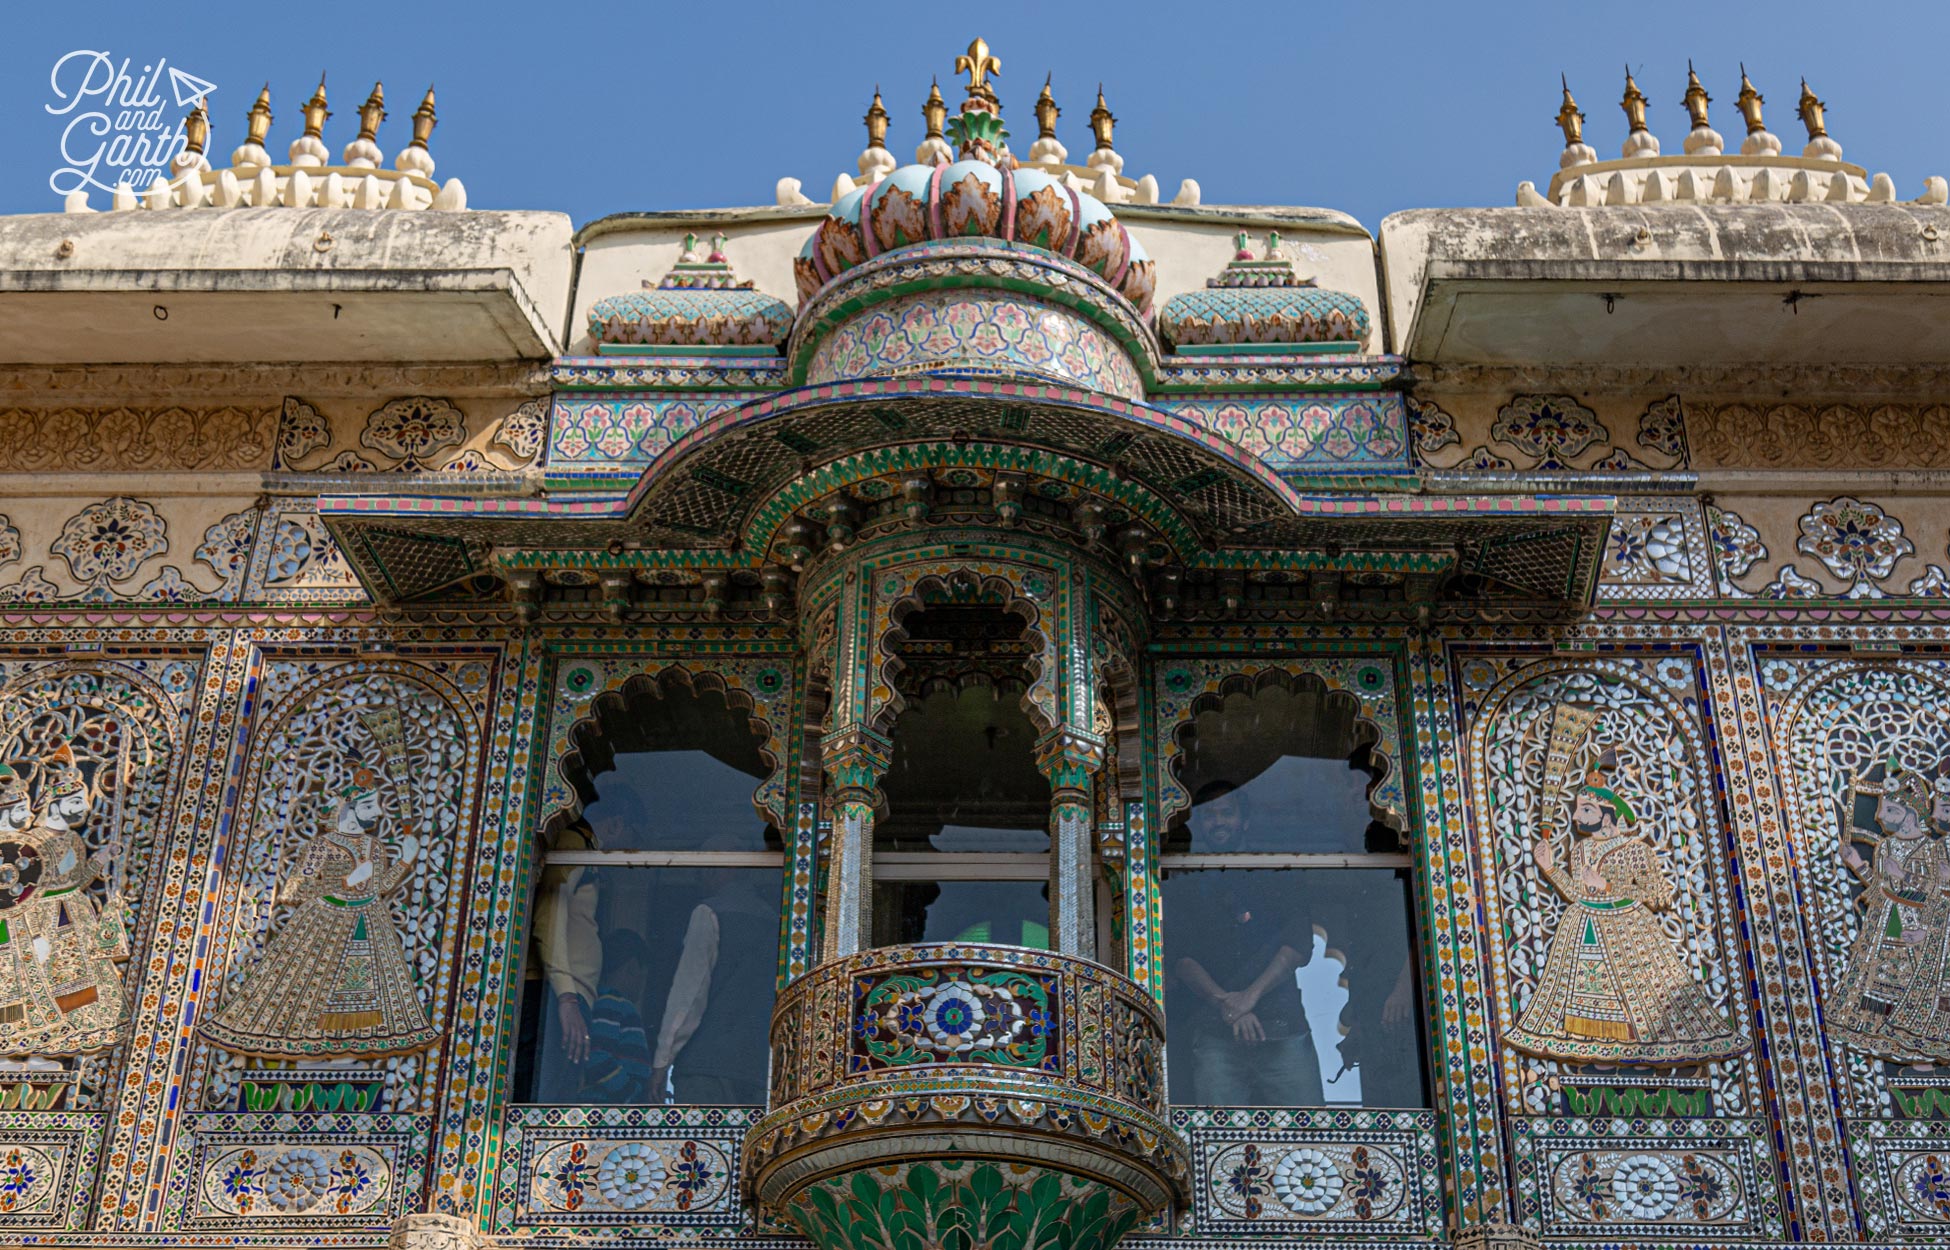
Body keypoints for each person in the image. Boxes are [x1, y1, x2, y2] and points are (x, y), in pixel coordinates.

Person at [1507, 747, 1747, 1064]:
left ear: (1608, 815)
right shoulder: (1580, 851)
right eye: (1579, 810)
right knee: (1578, 998)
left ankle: (1639, 1049)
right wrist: (1550, 868)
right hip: (1584, 925)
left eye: (1586, 811)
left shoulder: (1633, 850)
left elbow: (1657, 893)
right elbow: (1578, 893)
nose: (1577, 817)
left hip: (1627, 928)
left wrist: (1607, 886)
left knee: (1642, 1003)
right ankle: (1589, 1043)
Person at [203, 751, 437, 1057]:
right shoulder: (322, 846)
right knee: (313, 988)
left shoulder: (374, 845)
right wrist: (346, 883)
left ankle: (360, 1038)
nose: (378, 812)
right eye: (369, 806)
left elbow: (380, 887)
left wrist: (406, 860)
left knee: (369, 987)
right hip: (328, 918)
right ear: (348, 809)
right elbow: (294, 890)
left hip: (369, 917)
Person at [1170, 782, 1323, 1106]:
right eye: (1209, 815)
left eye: (1227, 813)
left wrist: (1247, 998)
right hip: (1214, 1032)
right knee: (1216, 1138)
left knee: (1307, 1135)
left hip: (1282, 1027)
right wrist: (1227, 1006)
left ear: (1245, 820)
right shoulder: (1184, 882)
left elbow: (1297, 944)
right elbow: (1180, 958)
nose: (1218, 821)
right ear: (1198, 825)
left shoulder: (1276, 872)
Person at [7, 743, 130, 1056]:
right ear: (54, 804)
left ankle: (83, 1031)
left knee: (83, 979)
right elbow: (21, 890)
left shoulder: (74, 839)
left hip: (76, 912)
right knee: (45, 983)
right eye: (75, 802)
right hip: (42, 917)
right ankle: (37, 1045)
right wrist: (34, 934)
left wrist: (102, 856)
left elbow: (79, 880)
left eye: (83, 802)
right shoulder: (33, 840)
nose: (83, 809)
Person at [1831, 762, 1950, 1062]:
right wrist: (1858, 863)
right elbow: (1876, 889)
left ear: (1911, 815)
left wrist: (1905, 880)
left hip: (1917, 926)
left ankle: (1915, 1052)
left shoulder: (1931, 849)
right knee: (1877, 990)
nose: (1879, 817)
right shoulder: (1885, 847)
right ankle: (1874, 1038)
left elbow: (1938, 892)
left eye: (1891, 810)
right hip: (1883, 926)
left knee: (1911, 993)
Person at [650, 855, 776, 1104]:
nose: (703, 879)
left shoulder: (708, 912)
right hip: (761, 1069)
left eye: (706, 870)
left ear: (718, 871)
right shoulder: (778, 921)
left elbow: (689, 994)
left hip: (706, 1066)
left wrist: (662, 1062)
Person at [582, 929, 654, 1104]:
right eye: (642, 976)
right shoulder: (613, 1002)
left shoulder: (605, 1002)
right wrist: (629, 1095)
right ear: (631, 968)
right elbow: (597, 1056)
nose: (641, 985)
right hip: (606, 1107)